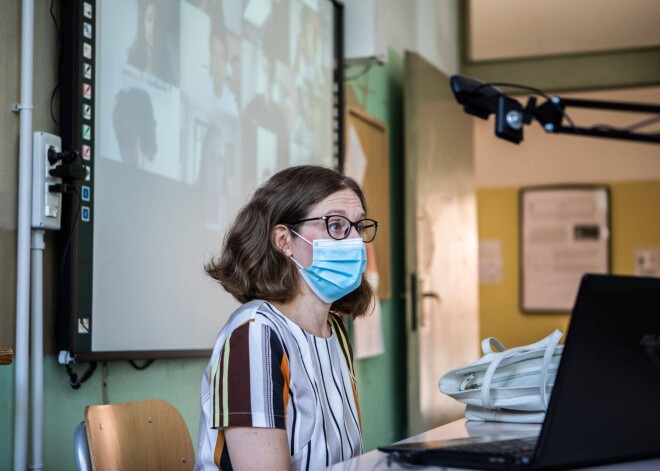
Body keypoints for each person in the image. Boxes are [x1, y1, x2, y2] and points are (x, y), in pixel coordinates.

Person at [195, 165, 379, 470]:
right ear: (285, 240)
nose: (353, 241)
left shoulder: (335, 331)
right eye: (335, 226)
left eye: (358, 227)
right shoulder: (254, 335)